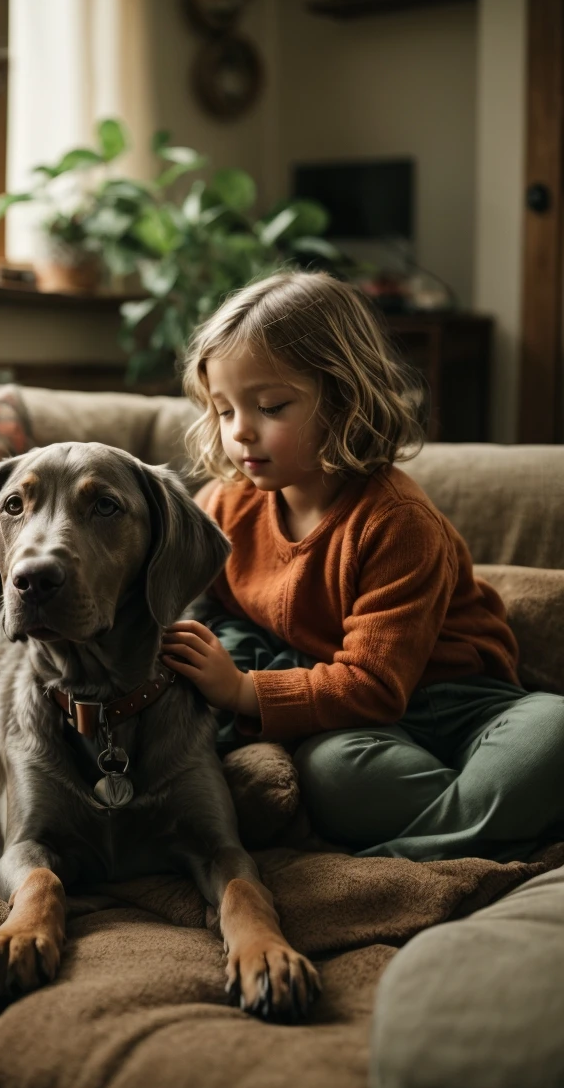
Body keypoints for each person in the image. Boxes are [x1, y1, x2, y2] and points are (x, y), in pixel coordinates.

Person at [160, 270, 564, 863]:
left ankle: (406, 854)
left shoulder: (396, 521)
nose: (240, 431)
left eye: (270, 406)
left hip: (462, 704)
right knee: (332, 772)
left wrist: (245, 690)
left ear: (344, 399)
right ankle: (496, 829)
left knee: (554, 726)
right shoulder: (225, 506)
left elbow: (374, 684)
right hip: (358, 727)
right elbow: (181, 599)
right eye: (223, 411)